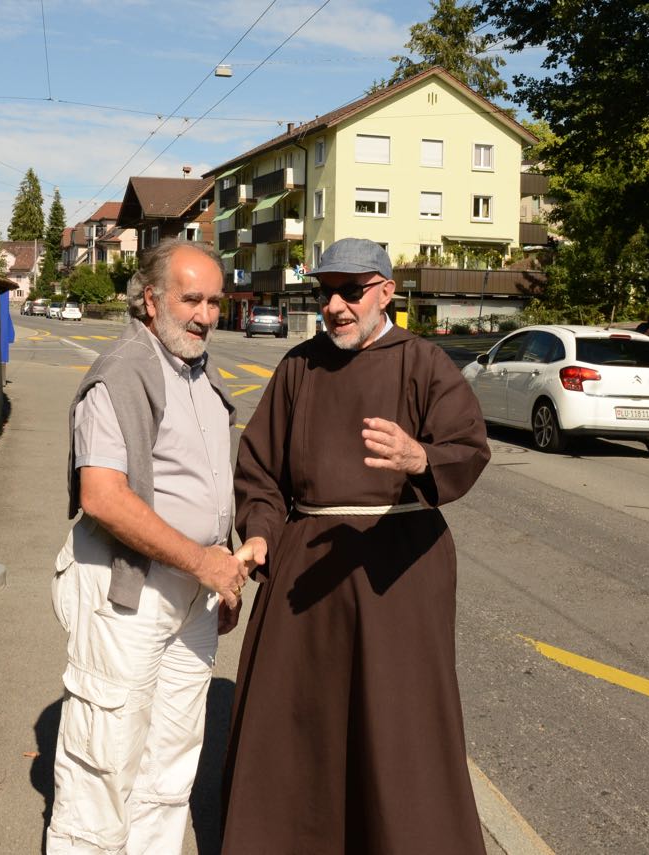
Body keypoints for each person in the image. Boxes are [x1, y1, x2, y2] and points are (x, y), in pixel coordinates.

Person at [221, 237, 492, 854]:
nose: (336, 306)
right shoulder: (299, 367)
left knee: (400, 717)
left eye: (351, 291)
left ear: (386, 293)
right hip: (307, 562)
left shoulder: (424, 363)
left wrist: (421, 457)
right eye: (326, 293)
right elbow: (260, 469)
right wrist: (261, 533)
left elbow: (468, 449)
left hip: (397, 566)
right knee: (297, 712)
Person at [48, 238, 252, 854]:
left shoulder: (195, 367)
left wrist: (224, 568)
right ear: (150, 299)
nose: (206, 315)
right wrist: (205, 563)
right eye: (192, 299)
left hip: (193, 593)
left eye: (216, 301)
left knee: (171, 754)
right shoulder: (122, 372)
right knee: (104, 757)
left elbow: (210, 483)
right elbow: (104, 498)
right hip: (129, 590)